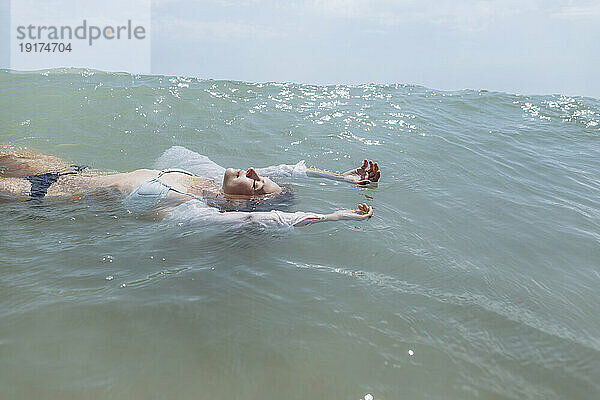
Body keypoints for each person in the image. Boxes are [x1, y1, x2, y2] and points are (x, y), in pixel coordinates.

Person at [0, 146, 381, 227]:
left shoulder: (192, 210)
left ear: (243, 203)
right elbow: (288, 170)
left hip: (41, 195)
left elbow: (268, 221)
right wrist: (341, 179)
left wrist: (336, 215)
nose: (252, 171)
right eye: (257, 174)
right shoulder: (208, 179)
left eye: (257, 183)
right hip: (69, 170)